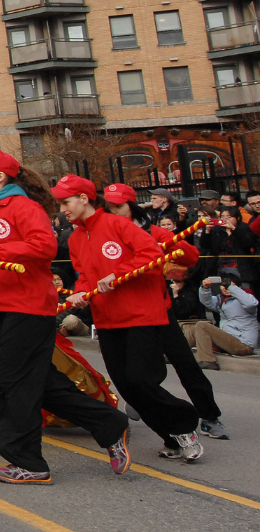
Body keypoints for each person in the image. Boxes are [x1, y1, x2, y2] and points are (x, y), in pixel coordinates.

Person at [0, 150, 131, 485]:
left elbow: (44, 247)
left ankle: (27, 460)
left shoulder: (23, 208)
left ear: (0, 176)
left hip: (30, 307)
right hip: (2, 306)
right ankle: (109, 423)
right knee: (42, 382)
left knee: (13, 383)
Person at [57, 175, 204, 464]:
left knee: (140, 380)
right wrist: (81, 293)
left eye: (66, 202)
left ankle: (185, 425)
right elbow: (84, 275)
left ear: (84, 199)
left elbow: (151, 255)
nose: (62, 209)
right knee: (126, 386)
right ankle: (172, 437)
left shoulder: (119, 224)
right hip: (107, 319)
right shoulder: (75, 238)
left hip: (141, 315)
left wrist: (119, 273)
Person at [101, 182, 226, 439]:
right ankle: (145, 401)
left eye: (118, 206)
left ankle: (209, 415)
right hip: (123, 311)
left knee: (184, 361)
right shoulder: (104, 236)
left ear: (131, 206)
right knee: (135, 368)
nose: (113, 212)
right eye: (109, 207)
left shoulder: (155, 233)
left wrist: (166, 248)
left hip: (158, 308)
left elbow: (190, 258)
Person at [188, 277, 256, 368]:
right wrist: (205, 288)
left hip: (244, 344)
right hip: (229, 339)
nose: (226, 289)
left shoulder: (247, 298)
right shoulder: (222, 300)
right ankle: (177, 353)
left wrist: (231, 287)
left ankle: (208, 360)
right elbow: (207, 301)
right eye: (224, 286)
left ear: (239, 288)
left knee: (202, 326)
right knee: (194, 327)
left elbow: (251, 303)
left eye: (230, 286)